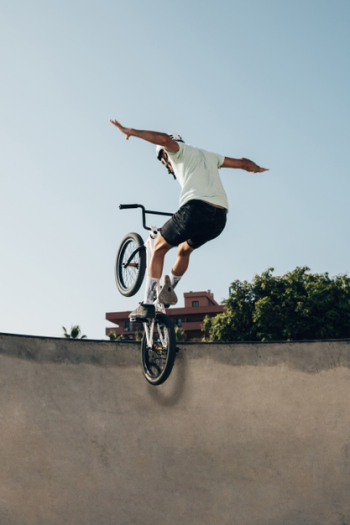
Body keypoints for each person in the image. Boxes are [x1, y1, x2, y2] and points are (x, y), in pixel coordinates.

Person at [110, 118, 268, 320]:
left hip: (195, 209)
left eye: (163, 161)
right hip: (220, 218)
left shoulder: (178, 151)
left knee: (159, 248)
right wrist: (256, 168)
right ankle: (168, 290)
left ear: (164, 154)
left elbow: (163, 139)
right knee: (184, 250)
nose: (167, 166)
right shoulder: (210, 156)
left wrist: (130, 131)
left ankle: (147, 305)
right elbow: (244, 163)